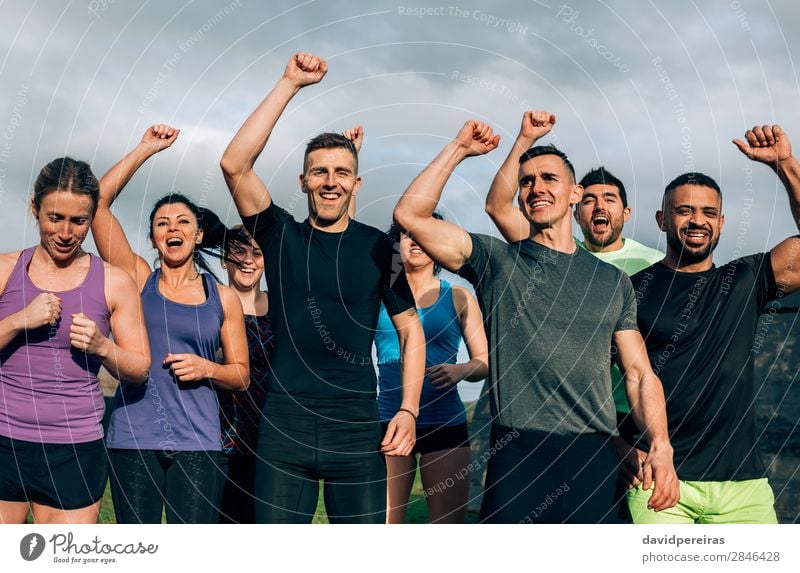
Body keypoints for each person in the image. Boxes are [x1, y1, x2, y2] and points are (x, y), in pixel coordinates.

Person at [394, 118, 679, 523]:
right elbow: (410, 213)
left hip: (593, 455)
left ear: (575, 194)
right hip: (518, 451)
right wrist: (459, 147)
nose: (536, 188)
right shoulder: (497, 261)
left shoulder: (613, 282)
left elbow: (638, 373)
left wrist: (662, 446)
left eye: (549, 178)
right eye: (526, 182)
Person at [220, 52, 425, 524]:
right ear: (304, 181)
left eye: (340, 173)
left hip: (356, 429)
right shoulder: (280, 235)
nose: (329, 182)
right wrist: (290, 82)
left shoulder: (384, 248)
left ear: (356, 182)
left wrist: (408, 411)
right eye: (319, 171)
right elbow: (234, 163)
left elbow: (411, 332)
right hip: (284, 424)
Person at [485, 111, 663, 519]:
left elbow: (646, 363)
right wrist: (525, 138)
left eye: (611, 200)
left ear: (627, 212)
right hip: (570, 419)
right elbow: (498, 205)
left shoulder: (650, 266)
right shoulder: (552, 258)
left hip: (634, 416)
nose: (600, 207)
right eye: (592, 200)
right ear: (577, 205)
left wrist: (656, 440)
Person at [626, 123, 800, 523]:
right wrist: (620, 449)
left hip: (745, 487)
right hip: (660, 478)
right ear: (662, 219)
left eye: (708, 212)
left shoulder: (746, 280)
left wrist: (785, 165)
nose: (697, 220)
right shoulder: (632, 290)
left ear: (721, 223)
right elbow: (594, 381)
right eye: (684, 210)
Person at [92, 124, 249, 524]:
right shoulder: (138, 278)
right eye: (162, 223)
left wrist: (207, 368)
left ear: (197, 235)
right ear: (153, 237)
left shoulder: (222, 297)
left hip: (198, 442)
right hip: (133, 438)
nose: (172, 228)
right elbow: (96, 204)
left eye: (182, 222)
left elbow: (241, 375)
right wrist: (145, 148)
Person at [0, 158, 150, 524]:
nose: (66, 233)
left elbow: (139, 368)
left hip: (75, 446)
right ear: (34, 208)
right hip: (4, 439)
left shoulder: (114, 281)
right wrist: (20, 320)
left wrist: (103, 346)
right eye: (54, 218)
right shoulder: (5, 269)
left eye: (79, 221)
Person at [376, 214, 489, 524]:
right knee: (386, 525)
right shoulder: (378, 295)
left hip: (445, 423)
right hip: (390, 419)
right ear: (396, 244)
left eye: (423, 234)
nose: (414, 241)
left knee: (446, 526)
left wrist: (461, 370)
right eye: (406, 235)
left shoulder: (458, 295)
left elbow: (484, 360)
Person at [216, 228, 274, 524]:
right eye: (239, 251)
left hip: (270, 443)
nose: (248, 260)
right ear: (224, 259)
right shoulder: (209, 305)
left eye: (257, 253)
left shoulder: (281, 309)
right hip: (219, 438)